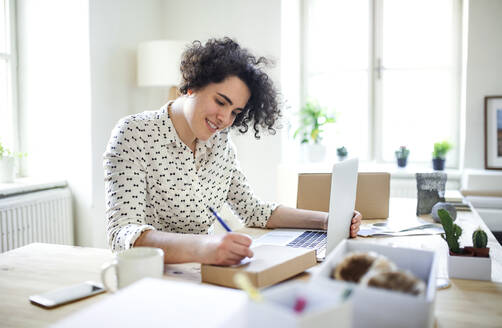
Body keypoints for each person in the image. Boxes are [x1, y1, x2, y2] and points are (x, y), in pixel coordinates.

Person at [104, 37, 362, 266]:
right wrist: (206, 248)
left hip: (201, 272)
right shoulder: (135, 133)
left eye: (235, 112)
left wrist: (327, 221)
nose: (225, 119)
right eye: (220, 102)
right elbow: (123, 233)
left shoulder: (220, 143)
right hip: (150, 278)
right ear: (192, 85)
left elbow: (253, 210)